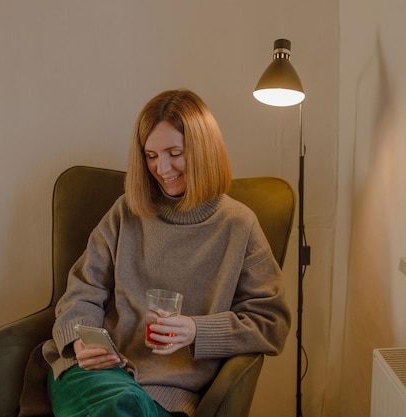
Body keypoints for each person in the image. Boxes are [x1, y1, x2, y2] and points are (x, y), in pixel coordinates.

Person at [42, 89, 291, 417]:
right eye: (151, 155)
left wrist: (196, 330)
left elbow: (270, 322)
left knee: (126, 407)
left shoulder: (238, 226)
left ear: (203, 151)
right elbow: (81, 293)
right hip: (94, 373)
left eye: (175, 152)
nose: (162, 168)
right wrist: (78, 343)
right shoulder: (125, 213)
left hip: (168, 394)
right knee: (120, 403)